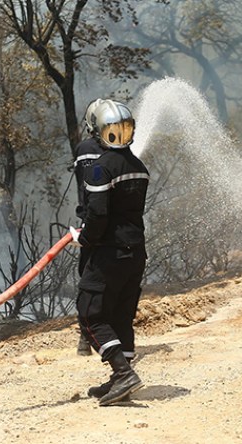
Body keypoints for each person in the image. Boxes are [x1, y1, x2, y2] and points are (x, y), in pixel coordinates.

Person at [69, 99, 149, 406]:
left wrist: (84, 239)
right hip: (135, 253)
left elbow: (99, 216)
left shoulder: (100, 169)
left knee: (91, 312)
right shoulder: (139, 167)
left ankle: (122, 373)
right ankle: (120, 377)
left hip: (109, 254)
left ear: (98, 131)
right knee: (120, 315)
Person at [72, 99, 106, 356]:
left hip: (94, 225)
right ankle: (94, 336)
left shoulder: (84, 148)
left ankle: (88, 336)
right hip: (115, 229)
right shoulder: (117, 152)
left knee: (88, 281)